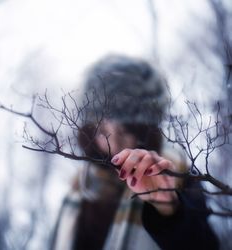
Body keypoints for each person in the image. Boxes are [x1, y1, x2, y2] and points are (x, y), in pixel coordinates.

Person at [49, 55, 219, 250]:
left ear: (144, 130)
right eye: (102, 131)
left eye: (124, 131)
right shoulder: (81, 185)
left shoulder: (177, 176)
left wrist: (168, 209)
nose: (113, 142)